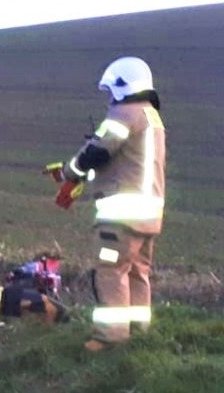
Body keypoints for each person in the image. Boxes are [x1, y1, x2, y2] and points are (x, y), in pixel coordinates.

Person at [50, 56, 166, 352]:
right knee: (138, 272)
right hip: (149, 212)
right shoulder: (152, 116)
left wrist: (69, 172)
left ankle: (110, 337)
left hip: (121, 215)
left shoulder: (123, 114)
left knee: (110, 271)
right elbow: (124, 161)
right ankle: (140, 331)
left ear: (121, 86)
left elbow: (98, 152)